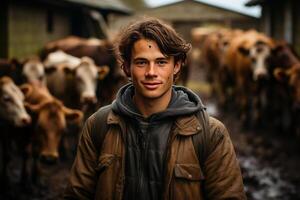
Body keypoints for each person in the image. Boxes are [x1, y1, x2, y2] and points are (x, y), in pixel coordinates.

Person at [64, 18, 246, 200]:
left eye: (161, 62)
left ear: (176, 66)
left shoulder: (210, 133)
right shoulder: (99, 125)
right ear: (126, 68)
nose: (151, 72)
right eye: (141, 62)